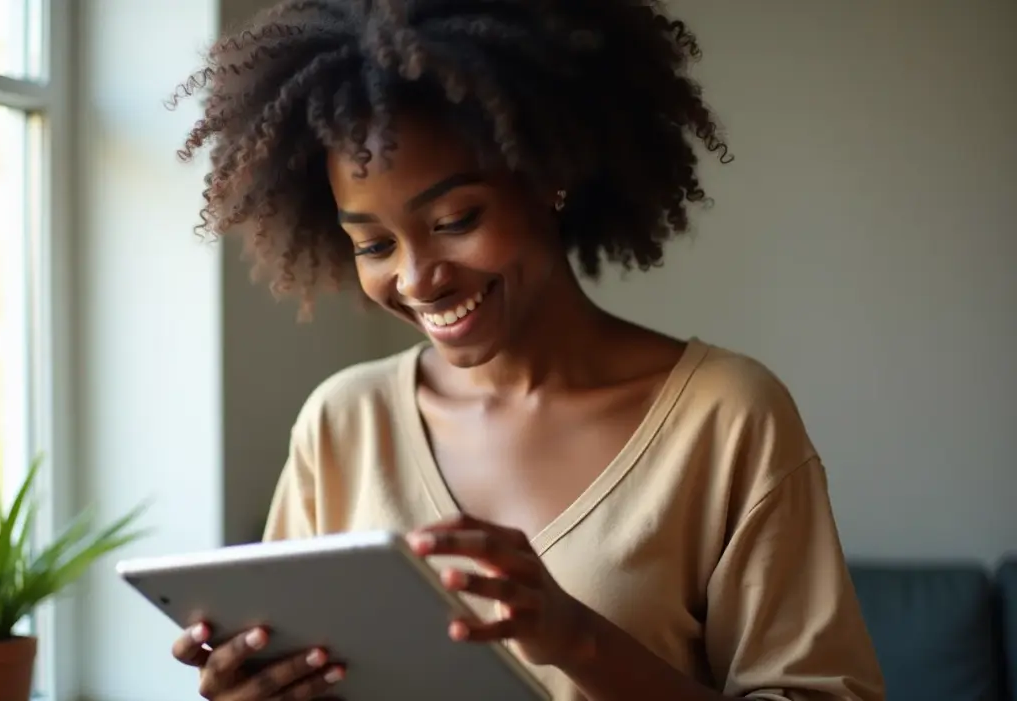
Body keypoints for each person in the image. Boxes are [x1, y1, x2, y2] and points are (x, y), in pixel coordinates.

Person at [168, 1, 885, 699]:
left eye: (456, 219)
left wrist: (578, 639)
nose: (417, 278)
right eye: (375, 244)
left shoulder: (727, 416)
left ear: (548, 176)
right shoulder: (342, 423)